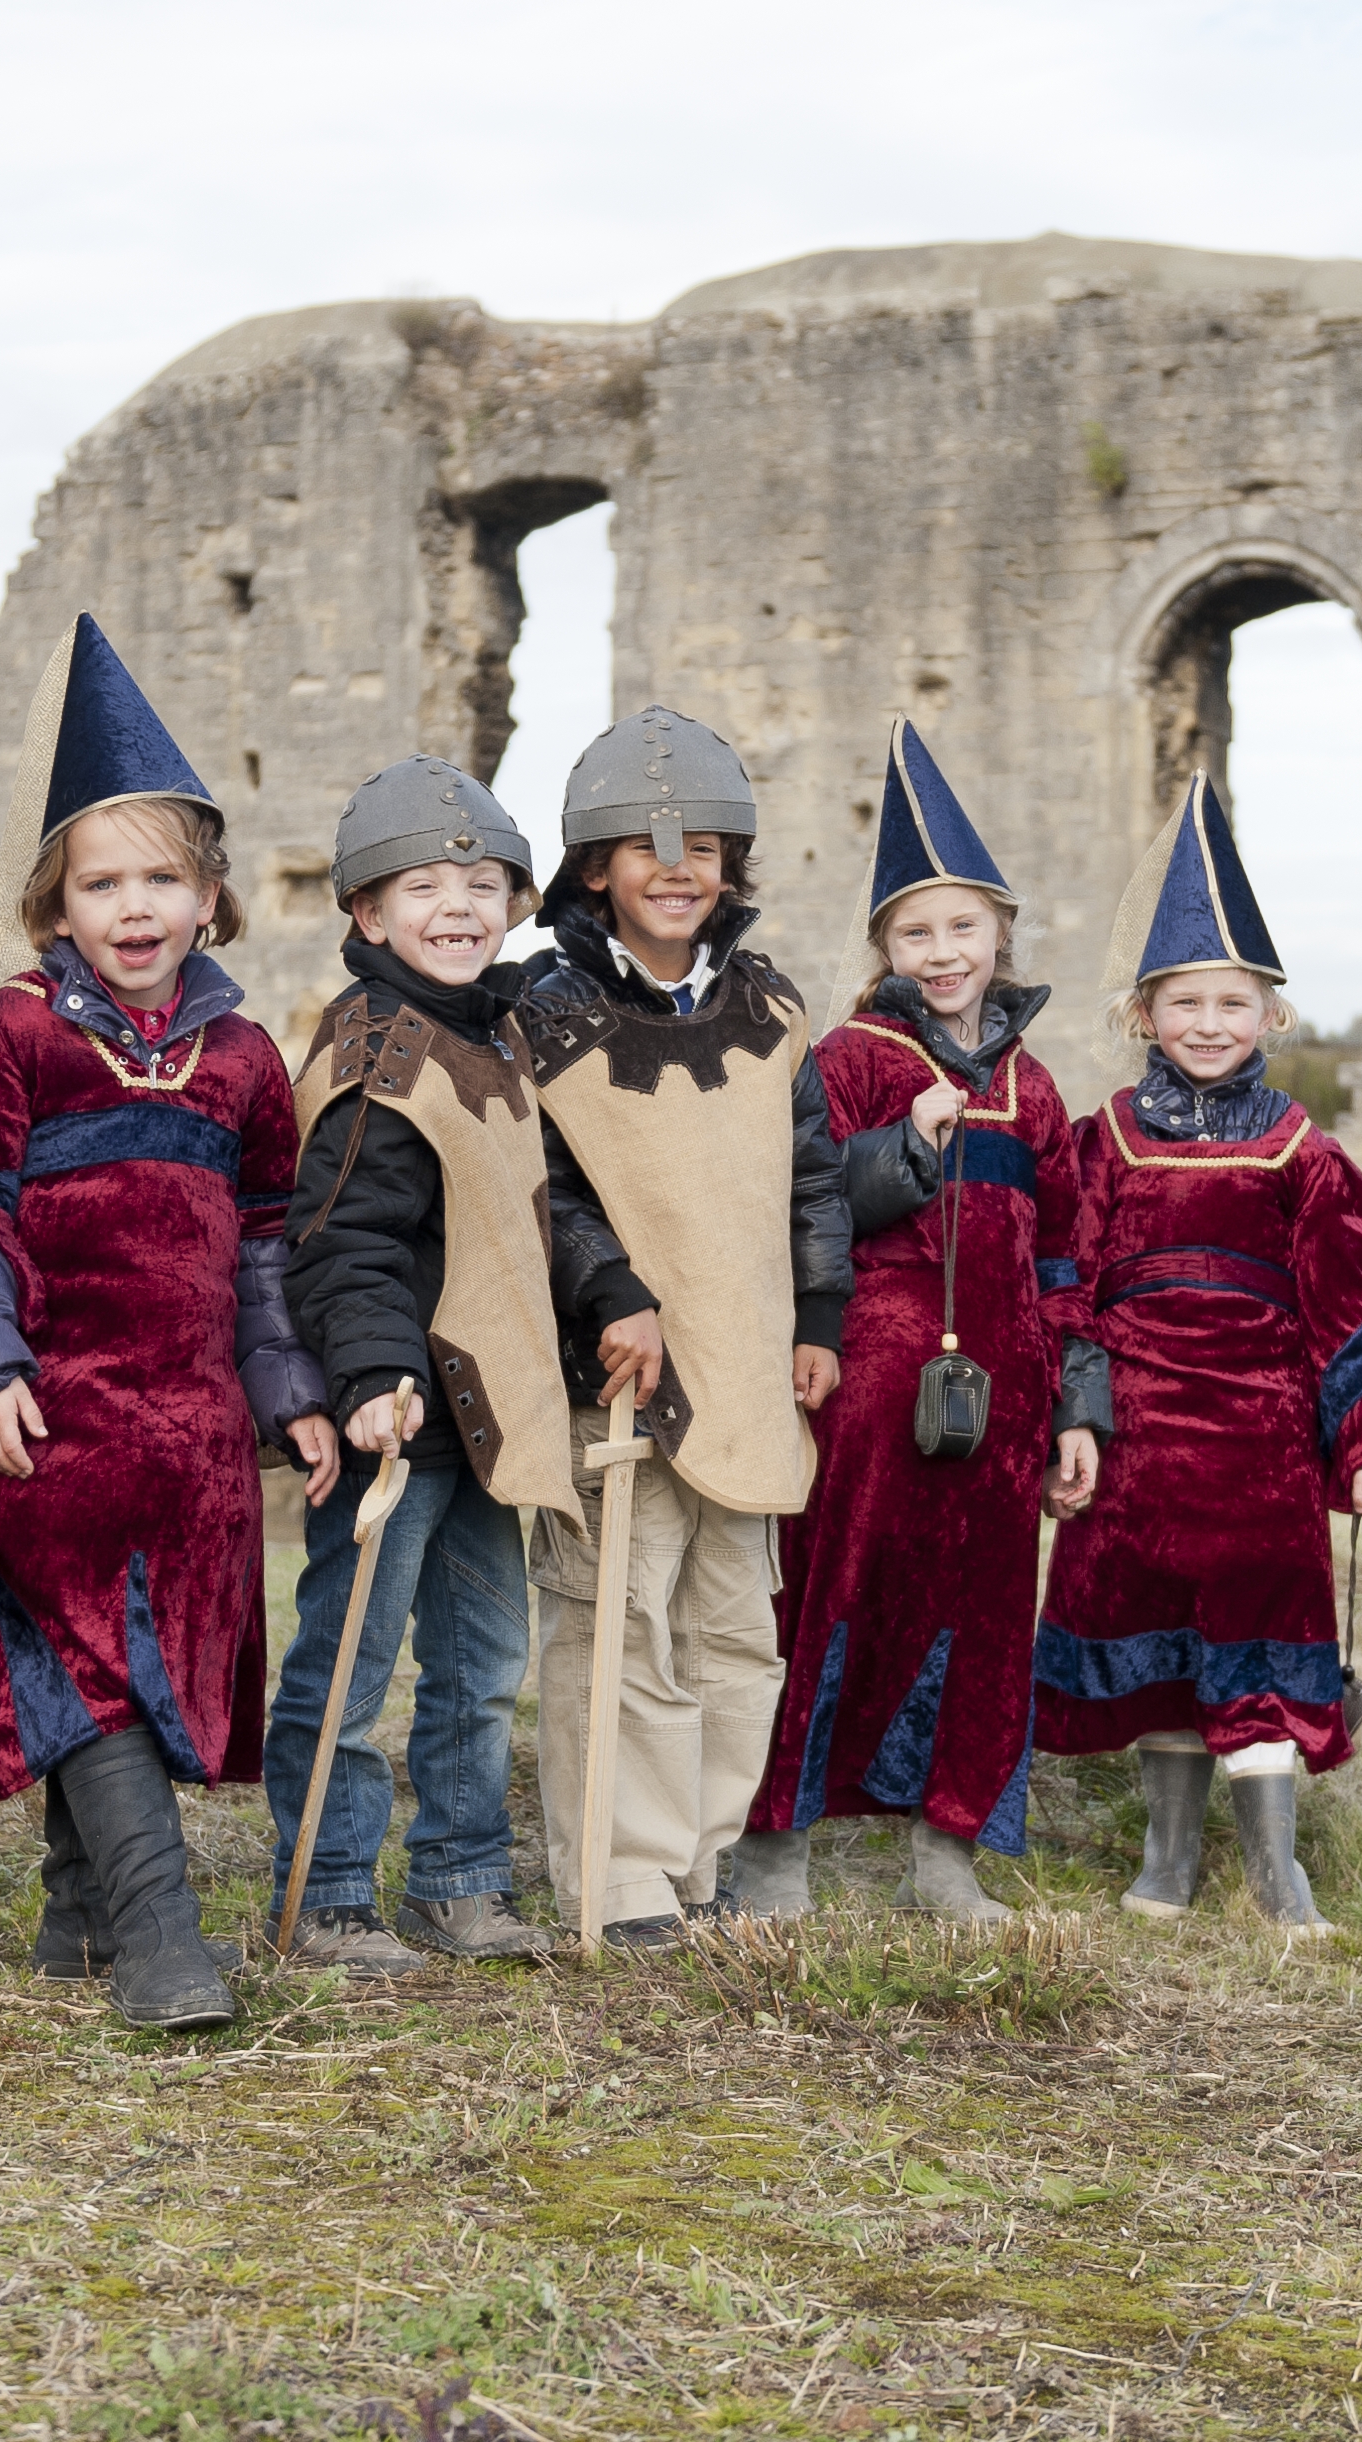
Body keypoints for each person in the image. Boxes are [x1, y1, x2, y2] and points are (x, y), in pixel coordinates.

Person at [0, 617, 335, 2032]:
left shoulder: (241, 1058)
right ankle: (163, 1940)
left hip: (193, 1429)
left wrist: (286, 1391)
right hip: (54, 1410)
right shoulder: (19, 1033)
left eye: (164, 877)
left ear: (212, 898)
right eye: (104, 883)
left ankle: (77, 1910)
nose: (137, 906)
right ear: (58, 908)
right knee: (80, 1648)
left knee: (148, 1660)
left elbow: (268, 1239)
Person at [743, 723, 1106, 1924]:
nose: (941, 953)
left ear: (1000, 934)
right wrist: (908, 1144)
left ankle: (948, 1848)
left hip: (1002, 1398)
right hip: (869, 1388)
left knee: (985, 1615)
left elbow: (1068, 1255)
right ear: (882, 947)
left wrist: (1071, 1407)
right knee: (832, 1592)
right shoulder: (849, 1056)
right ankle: (774, 1841)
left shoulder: (1037, 1085)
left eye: (961, 928)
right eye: (915, 932)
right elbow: (805, 1201)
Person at [1037, 777, 1362, 1931]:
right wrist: (1075, 1416)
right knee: (1153, 1646)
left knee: (1257, 1643)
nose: (1207, 1024)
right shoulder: (1098, 1146)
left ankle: (1275, 1869)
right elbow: (1068, 1288)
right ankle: (1164, 1851)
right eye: (1184, 1002)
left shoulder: (1307, 1156)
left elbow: (1348, 1306)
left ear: (1269, 1017)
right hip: (1136, 1447)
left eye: (1231, 1004)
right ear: (1145, 1014)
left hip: (1259, 1445)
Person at [517, 708, 855, 1946]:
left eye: (704, 848)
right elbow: (537, 1182)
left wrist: (817, 1311)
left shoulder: (769, 1007)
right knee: (620, 1624)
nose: (677, 869)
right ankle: (618, 1877)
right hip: (621, 1368)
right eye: (645, 848)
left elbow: (810, 1173)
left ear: (732, 869)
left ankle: (699, 1867)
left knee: (731, 1629)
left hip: (749, 1357)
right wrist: (612, 1293)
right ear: (595, 866)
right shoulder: (539, 1011)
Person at [265, 757, 594, 1971]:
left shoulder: (493, 1034)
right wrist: (366, 1380)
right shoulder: (378, 1058)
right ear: (367, 914)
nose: (456, 904)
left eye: (480, 881)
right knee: (348, 1665)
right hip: (396, 1414)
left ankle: (457, 1880)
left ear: (512, 901)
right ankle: (328, 1890)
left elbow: (532, 1213)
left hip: (486, 1413)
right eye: (421, 886)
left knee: (476, 1666)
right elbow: (343, 1243)